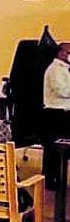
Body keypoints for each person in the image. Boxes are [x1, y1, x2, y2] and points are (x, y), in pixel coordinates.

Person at [42, 42, 70, 189]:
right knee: (53, 148)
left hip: (64, 113)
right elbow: (62, 91)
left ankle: (60, 176)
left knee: (63, 148)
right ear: (61, 53)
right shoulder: (54, 70)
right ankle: (51, 179)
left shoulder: (65, 69)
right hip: (55, 113)